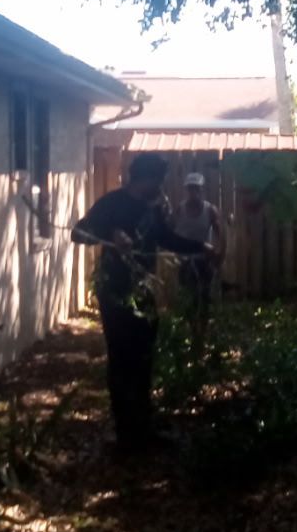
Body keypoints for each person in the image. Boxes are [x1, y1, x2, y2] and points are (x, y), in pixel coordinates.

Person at [72, 153, 209, 453]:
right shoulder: (112, 204)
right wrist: (110, 234)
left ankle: (143, 429)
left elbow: (165, 238)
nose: (159, 187)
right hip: (116, 294)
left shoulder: (153, 208)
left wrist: (200, 247)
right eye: (156, 181)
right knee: (122, 361)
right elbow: (78, 233)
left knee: (144, 359)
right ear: (143, 179)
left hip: (143, 292)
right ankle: (125, 436)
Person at [172, 171, 224, 353]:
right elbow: (172, 232)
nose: (193, 192)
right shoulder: (180, 209)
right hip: (186, 261)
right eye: (190, 189)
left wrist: (219, 254)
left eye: (196, 189)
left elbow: (219, 233)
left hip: (204, 261)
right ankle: (193, 334)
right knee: (189, 298)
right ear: (186, 190)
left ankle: (201, 336)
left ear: (201, 190)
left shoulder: (210, 210)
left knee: (204, 298)